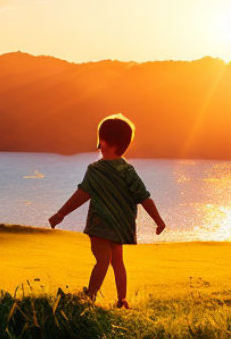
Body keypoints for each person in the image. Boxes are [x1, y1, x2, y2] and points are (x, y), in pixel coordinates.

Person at [48, 114, 165, 308]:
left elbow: (82, 194)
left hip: (100, 225)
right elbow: (145, 198)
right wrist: (158, 221)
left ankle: (90, 298)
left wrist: (61, 214)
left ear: (102, 141)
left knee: (102, 260)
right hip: (120, 226)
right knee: (117, 261)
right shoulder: (128, 171)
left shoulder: (95, 170)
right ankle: (122, 300)